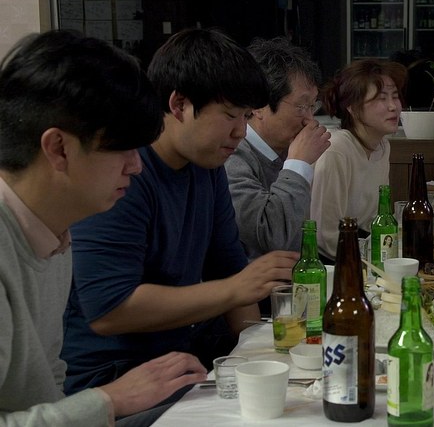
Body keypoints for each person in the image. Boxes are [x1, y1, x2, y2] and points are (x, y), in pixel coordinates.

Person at [61, 28, 299, 395]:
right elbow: (109, 309)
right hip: (116, 375)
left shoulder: (208, 165)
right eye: (230, 115)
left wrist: (256, 355)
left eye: (246, 116)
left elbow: (230, 267)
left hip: (185, 355)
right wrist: (234, 289)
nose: (240, 132)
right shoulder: (123, 173)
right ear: (179, 105)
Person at [0, 30, 207, 426]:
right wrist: (109, 400)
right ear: (58, 148)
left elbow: (47, 384)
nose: (136, 166)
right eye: (122, 149)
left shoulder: (54, 233)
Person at [225, 36, 331, 260]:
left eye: (312, 106)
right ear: (258, 106)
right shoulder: (232, 155)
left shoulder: (284, 151)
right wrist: (298, 165)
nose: (310, 120)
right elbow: (272, 236)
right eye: (301, 106)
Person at [310, 59, 407, 262]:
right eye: (381, 98)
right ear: (353, 108)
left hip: (360, 251)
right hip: (329, 262)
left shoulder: (382, 146)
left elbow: (374, 220)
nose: (393, 106)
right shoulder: (336, 149)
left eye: (395, 96)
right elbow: (325, 236)